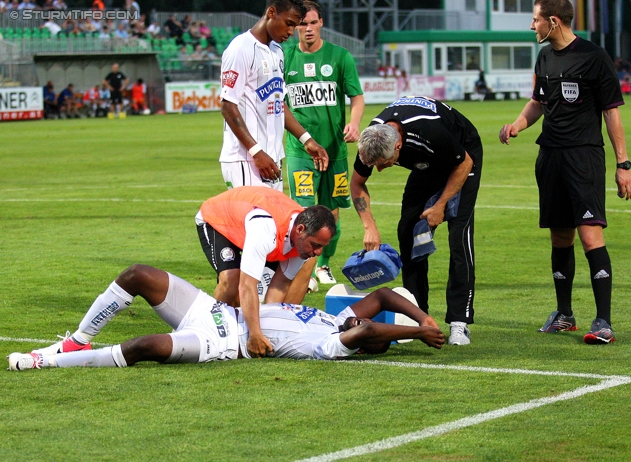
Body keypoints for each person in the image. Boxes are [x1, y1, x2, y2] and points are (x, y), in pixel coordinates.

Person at [498, 0, 631, 345]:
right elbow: (539, 102)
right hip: (550, 157)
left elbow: (612, 112)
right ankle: (564, 315)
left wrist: (623, 165)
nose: (532, 27)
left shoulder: (594, 56)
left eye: (536, 20)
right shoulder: (544, 57)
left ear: (554, 22)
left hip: (583, 158)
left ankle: (603, 321)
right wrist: (517, 125)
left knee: (590, 236)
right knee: (560, 237)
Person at [7, 264, 445, 372]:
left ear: (368, 343)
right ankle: (78, 340)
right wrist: (423, 319)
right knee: (138, 275)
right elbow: (384, 293)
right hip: (217, 312)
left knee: (144, 347)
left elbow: (371, 327)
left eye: (366, 330)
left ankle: (49, 361)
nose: (359, 319)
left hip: (223, 344)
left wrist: (412, 334)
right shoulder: (341, 319)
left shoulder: (333, 345)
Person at [352, 96, 483, 346]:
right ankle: (419, 316)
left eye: (384, 164)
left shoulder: (429, 131)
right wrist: (370, 227)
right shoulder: (373, 139)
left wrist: (440, 205)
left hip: (462, 154)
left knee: (460, 237)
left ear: (398, 147)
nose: (378, 170)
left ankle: (459, 323)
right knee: (407, 231)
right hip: (426, 161)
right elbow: (358, 184)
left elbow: (464, 162)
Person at [195, 186, 336, 358]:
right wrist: (255, 335)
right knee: (231, 278)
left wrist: (269, 331)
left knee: (308, 261)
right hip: (217, 220)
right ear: (300, 229)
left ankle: (273, 331)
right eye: (315, 245)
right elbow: (247, 285)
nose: (319, 252)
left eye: (322, 246)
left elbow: (280, 284)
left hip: (248, 225)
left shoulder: (303, 237)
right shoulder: (265, 228)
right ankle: (206, 331)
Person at [284, 1, 365, 288]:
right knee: (303, 213)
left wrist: (354, 123)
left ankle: (323, 265)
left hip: (335, 151)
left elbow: (356, 97)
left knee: (332, 214)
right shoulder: (283, 56)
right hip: (299, 150)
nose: (307, 29)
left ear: (321, 24)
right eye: (302, 24)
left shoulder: (340, 57)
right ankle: (301, 269)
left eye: (313, 23)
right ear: (294, 27)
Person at [218, 0, 328, 193]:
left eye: (295, 26)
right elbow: (228, 106)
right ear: (271, 12)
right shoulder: (240, 49)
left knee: (272, 222)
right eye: (289, 23)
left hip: (271, 159)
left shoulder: (277, 51)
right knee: (252, 221)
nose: (291, 32)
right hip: (246, 159)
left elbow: (279, 103)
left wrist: (307, 140)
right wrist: (256, 152)